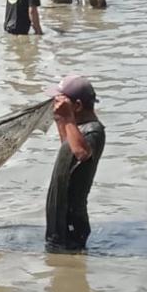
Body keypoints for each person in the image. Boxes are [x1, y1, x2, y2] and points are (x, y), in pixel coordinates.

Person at [45, 75, 105, 252]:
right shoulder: (78, 130)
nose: (56, 104)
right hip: (61, 216)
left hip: (71, 219)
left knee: (67, 260)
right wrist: (61, 119)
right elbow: (68, 146)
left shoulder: (94, 130)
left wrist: (69, 118)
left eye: (62, 101)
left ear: (77, 106)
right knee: (57, 260)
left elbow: (82, 153)